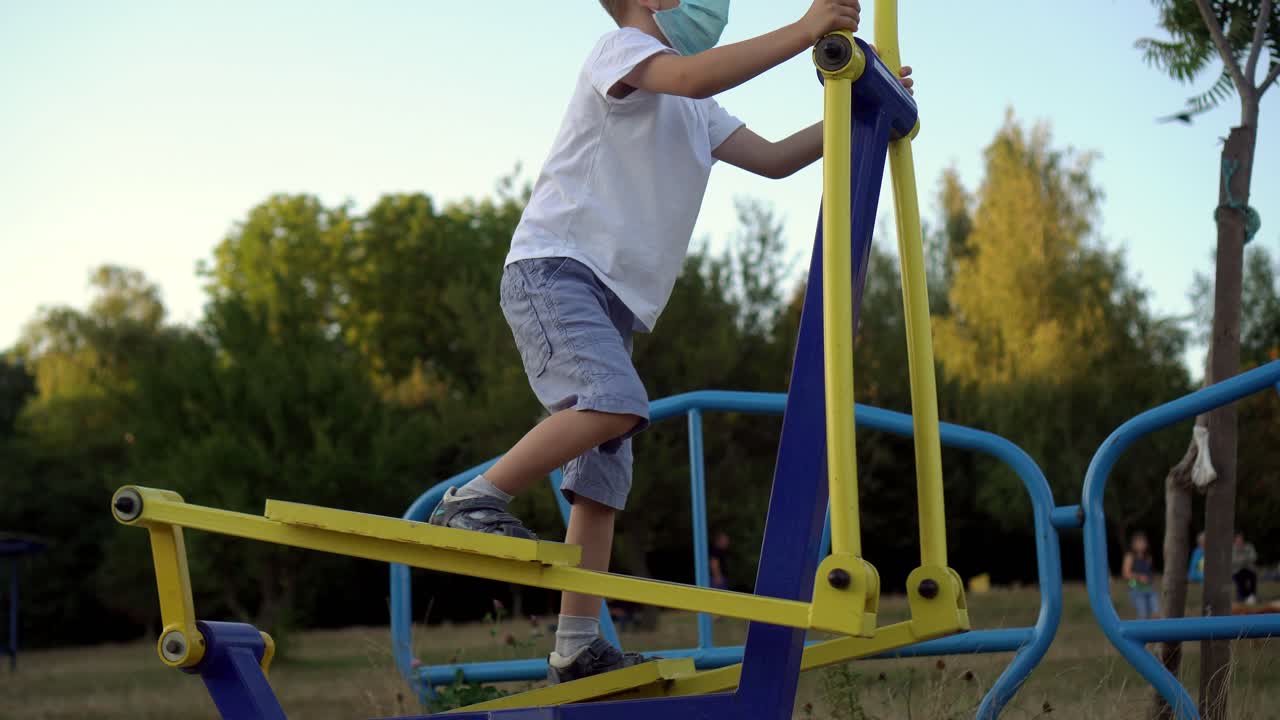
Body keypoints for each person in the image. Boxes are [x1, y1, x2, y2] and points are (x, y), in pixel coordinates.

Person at [429, 0, 914, 685]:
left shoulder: (697, 111)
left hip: (614, 301)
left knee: (602, 478)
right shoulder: (619, 51)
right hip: (555, 270)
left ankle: (575, 647)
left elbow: (775, 160)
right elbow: (692, 78)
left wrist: (860, 111)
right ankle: (472, 502)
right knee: (615, 401)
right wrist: (806, 29)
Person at [1123, 532, 1160, 619]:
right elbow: (1126, 574)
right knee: (1142, 614)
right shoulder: (1130, 557)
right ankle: (1141, 630)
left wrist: (1150, 580)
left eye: (1143, 542)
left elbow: (1149, 573)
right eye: (1139, 542)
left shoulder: (1148, 557)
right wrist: (1139, 577)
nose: (1141, 545)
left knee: (1155, 612)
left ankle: (1154, 630)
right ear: (1133, 544)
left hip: (1149, 587)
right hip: (1134, 586)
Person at [1232, 532, 1259, 605]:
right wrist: (1245, 559)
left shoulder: (1249, 546)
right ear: (1235, 540)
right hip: (1237, 570)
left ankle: (1252, 595)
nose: (1239, 541)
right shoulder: (1232, 548)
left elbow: (1254, 557)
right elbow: (1233, 560)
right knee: (1239, 578)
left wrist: (1242, 560)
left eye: (1241, 539)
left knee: (1252, 576)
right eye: (1238, 539)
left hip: (1249, 569)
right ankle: (1243, 596)